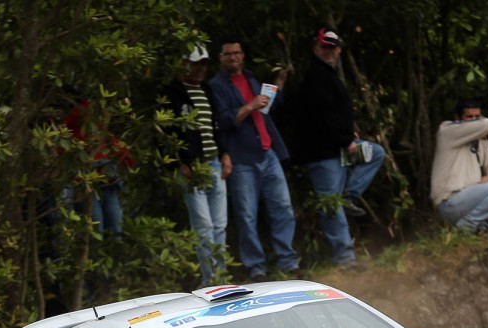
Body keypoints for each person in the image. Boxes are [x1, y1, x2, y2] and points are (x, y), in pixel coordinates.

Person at [290, 27, 386, 269]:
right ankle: (344, 259)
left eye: (333, 47)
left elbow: (336, 113)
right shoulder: (315, 75)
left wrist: (349, 133)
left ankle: (349, 195)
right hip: (323, 153)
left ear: (339, 50)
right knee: (330, 204)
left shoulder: (329, 73)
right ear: (316, 46)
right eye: (325, 46)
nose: (329, 51)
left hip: (339, 148)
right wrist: (346, 140)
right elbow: (322, 116)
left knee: (375, 153)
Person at [209, 35, 301, 282]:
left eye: (237, 53)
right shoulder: (216, 85)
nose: (233, 57)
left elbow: (269, 105)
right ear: (220, 58)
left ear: (243, 55)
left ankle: (288, 261)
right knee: (247, 216)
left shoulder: (249, 77)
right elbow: (224, 121)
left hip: (267, 152)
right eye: (228, 54)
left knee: (283, 208)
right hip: (241, 158)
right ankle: (256, 268)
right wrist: (250, 106)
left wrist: (280, 79)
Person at [162, 45, 231, 287]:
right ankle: (209, 279)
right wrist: (179, 162)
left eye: (203, 63)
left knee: (220, 224)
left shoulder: (207, 89)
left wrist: (225, 154)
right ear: (183, 63)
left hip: (214, 163)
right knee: (204, 225)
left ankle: (221, 276)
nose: (200, 68)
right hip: (191, 168)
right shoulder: (172, 93)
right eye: (195, 63)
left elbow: (215, 126)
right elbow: (167, 132)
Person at [429, 100, 488, 233]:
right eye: (469, 117)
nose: (474, 121)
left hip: (470, 200)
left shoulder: (480, 140)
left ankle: (481, 230)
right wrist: (483, 126)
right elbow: (487, 124)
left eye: (477, 117)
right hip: (449, 202)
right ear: (457, 118)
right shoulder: (447, 131)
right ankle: (465, 228)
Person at [64, 98, 133, 235]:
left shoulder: (74, 128)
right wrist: (129, 160)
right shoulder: (91, 122)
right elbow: (116, 145)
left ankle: (100, 244)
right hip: (99, 173)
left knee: (98, 217)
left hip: (95, 175)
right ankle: (110, 244)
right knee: (107, 210)